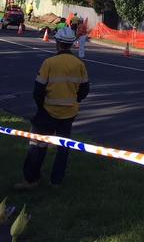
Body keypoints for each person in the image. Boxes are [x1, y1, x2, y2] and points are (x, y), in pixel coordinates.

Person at [14, 27, 90, 189]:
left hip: (48, 111)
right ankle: (56, 181)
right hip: (69, 112)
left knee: (37, 144)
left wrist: (41, 106)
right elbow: (84, 89)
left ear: (57, 43)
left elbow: (38, 89)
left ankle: (31, 179)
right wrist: (74, 100)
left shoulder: (49, 63)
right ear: (70, 44)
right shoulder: (79, 64)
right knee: (63, 147)